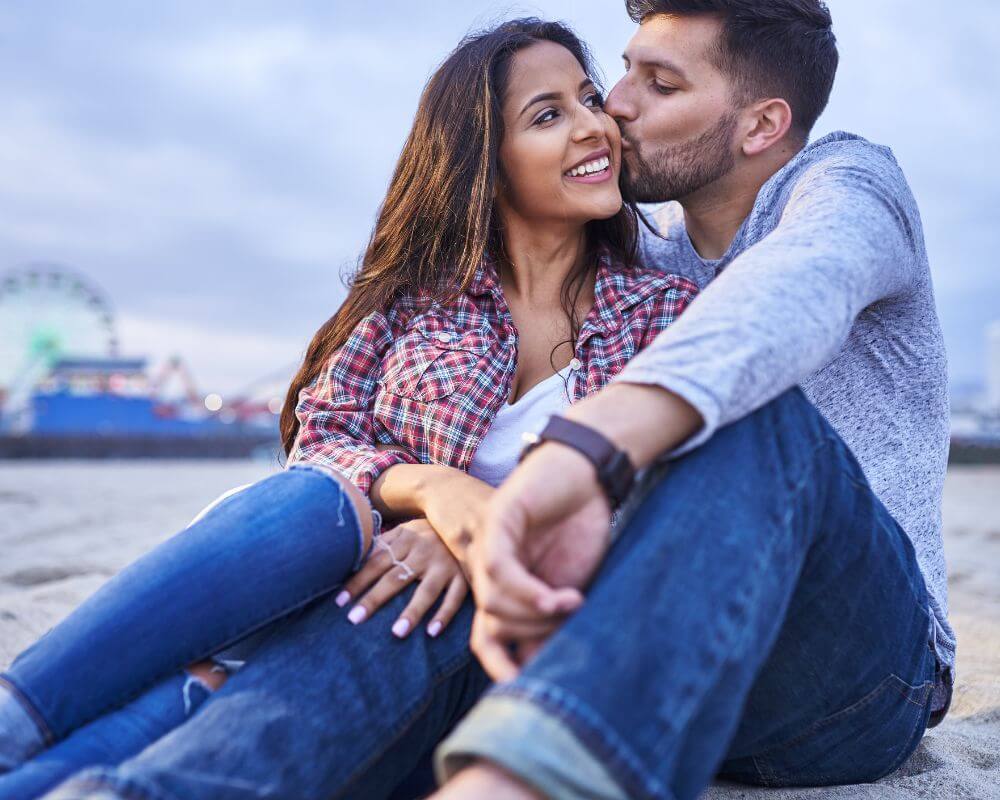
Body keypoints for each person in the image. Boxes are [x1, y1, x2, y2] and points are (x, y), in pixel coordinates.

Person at [26, 0, 953, 797]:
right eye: (616, 78)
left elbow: (793, 292)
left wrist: (571, 458)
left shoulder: (839, 189)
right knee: (421, 593)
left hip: (854, 670)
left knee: (750, 413)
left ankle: (528, 777)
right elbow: (339, 436)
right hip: (653, 647)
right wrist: (447, 509)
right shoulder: (633, 264)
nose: (616, 110)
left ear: (759, 125)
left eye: (656, 88)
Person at [0, 17, 698, 800]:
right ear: (486, 166)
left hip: (424, 638)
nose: (593, 126)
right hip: (293, 581)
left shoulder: (664, 314)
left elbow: (663, 497)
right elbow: (324, 438)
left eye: (589, 97)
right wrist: (433, 491)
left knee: (201, 713)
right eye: (548, 115)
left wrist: (479, 529)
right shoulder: (415, 302)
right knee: (313, 500)